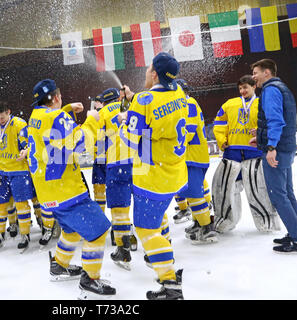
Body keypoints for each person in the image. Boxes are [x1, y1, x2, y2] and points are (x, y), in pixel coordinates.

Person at [23, 79, 116, 299]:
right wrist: (92, 120)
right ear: (55, 97)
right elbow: (81, 143)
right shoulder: (56, 116)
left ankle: (59, 266)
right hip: (67, 191)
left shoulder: (35, 117)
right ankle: (90, 280)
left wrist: (65, 110)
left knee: (71, 231)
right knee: (99, 230)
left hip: (48, 192)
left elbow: (51, 129)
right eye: (60, 98)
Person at [117, 52, 185, 300]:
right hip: (175, 173)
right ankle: (165, 259)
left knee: (146, 230)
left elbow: (129, 141)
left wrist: (121, 121)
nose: (145, 73)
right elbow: (158, 113)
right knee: (157, 221)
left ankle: (170, 283)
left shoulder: (144, 100)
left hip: (153, 177)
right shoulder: (179, 92)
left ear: (154, 73)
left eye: (148, 70)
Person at [250, 59, 297, 254]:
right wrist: (260, 137)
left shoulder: (271, 90)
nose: (254, 77)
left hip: (278, 149)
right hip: (286, 147)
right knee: (287, 194)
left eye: (256, 73)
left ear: (267, 72)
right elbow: (278, 120)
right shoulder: (281, 87)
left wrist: (270, 146)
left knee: (279, 197)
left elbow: (276, 121)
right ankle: (295, 234)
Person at [213, 74, 280, 233]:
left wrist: (261, 132)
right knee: (227, 189)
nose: (242, 90)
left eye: (246, 87)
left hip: (254, 152)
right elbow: (219, 123)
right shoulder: (230, 104)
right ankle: (224, 222)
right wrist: (222, 140)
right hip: (232, 153)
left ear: (254, 87)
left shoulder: (262, 103)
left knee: (258, 189)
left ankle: (267, 223)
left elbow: (272, 122)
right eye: (240, 88)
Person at [0, 101, 49, 252]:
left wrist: (25, 150)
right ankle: (0, 233)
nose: (0, 120)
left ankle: (25, 234)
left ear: (9, 112)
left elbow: (27, 144)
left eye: (3, 117)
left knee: (21, 203)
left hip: (19, 170)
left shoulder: (20, 124)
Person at [173, 79, 217, 244]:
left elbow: (189, 131)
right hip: (190, 156)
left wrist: (173, 146)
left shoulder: (188, 102)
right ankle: (199, 222)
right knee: (191, 192)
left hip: (193, 155)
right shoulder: (184, 104)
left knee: (194, 193)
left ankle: (207, 227)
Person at [96, 87, 135, 270]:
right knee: (147, 203)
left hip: (117, 163)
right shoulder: (132, 106)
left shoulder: (102, 113)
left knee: (120, 209)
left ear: (104, 102)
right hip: (139, 161)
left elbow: (99, 142)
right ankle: (161, 245)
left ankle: (123, 249)